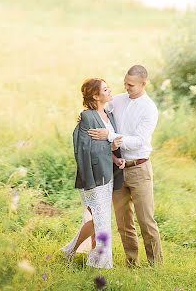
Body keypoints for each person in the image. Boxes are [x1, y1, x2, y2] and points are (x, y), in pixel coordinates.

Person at [88, 65, 163, 266]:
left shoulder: (149, 109)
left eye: (131, 85)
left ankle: (156, 265)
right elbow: (99, 111)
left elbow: (139, 141)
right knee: (123, 222)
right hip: (118, 168)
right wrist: (84, 118)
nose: (126, 88)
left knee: (146, 221)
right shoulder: (119, 100)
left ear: (143, 84)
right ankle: (132, 263)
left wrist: (110, 136)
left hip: (139, 168)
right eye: (125, 83)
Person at [61, 78, 125, 268]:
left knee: (98, 217)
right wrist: (110, 147)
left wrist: (115, 158)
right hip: (93, 175)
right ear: (96, 96)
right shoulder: (87, 116)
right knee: (101, 219)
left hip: (107, 175)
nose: (110, 91)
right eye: (105, 89)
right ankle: (98, 263)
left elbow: (104, 145)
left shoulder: (108, 114)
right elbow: (83, 148)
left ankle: (69, 251)